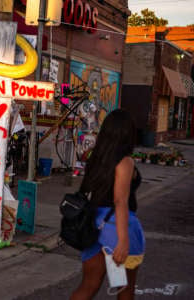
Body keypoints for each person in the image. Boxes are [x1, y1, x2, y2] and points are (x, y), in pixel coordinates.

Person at [70, 109, 145, 300]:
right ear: (127, 133)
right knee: (124, 291)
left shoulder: (97, 157)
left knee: (89, 286)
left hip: (95, 226)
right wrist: (123, 240)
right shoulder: (125, 161)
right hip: (115, 228)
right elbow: (120, 201)